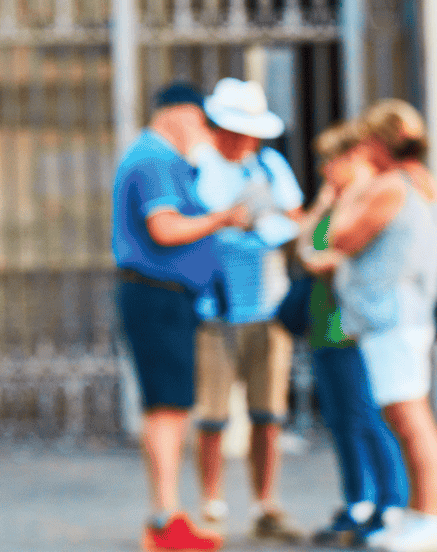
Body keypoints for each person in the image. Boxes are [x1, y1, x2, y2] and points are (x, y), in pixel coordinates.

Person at [113, 81, 255, 552]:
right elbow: (166, 227)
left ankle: (168, 518)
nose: (203, 130)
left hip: (166, 297)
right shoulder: (154, 159)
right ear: (177, 113)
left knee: (170, 408)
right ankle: (165, 520)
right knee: (168, 410)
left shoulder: (160, 159)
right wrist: (223, 218)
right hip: (157, 296)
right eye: (200, 119)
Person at [312, 101, 437, 552]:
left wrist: (344, 194)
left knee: (411, 420)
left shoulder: (392, 186)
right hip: (394, 316)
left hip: (393, 318)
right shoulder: (416, 182)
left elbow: (341, 237)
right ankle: (419, 514)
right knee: (401, 416)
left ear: (377, 142)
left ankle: (431, 518)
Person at [190, 77, 307, 543]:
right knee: (213, 415)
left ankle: (265, 502)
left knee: (268, 413)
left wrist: (264, 221)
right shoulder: (198, 166)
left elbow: (295, 217)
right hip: (214, 308)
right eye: (235, 130)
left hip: (268, 304)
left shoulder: (270, 164)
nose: (244, 141)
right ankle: (211, 503)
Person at [302, 121, 410, 548]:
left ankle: (391, 502)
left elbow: (334, 254)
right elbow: (306, 246)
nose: (325, 169)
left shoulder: (373, 196)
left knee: (369, 417)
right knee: (341, 421)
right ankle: (358, 501)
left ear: (354, 159)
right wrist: (324, 203)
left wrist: (321, 250)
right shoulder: (336, 201)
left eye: (331, 159)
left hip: (354, 325)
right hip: (323, 323)